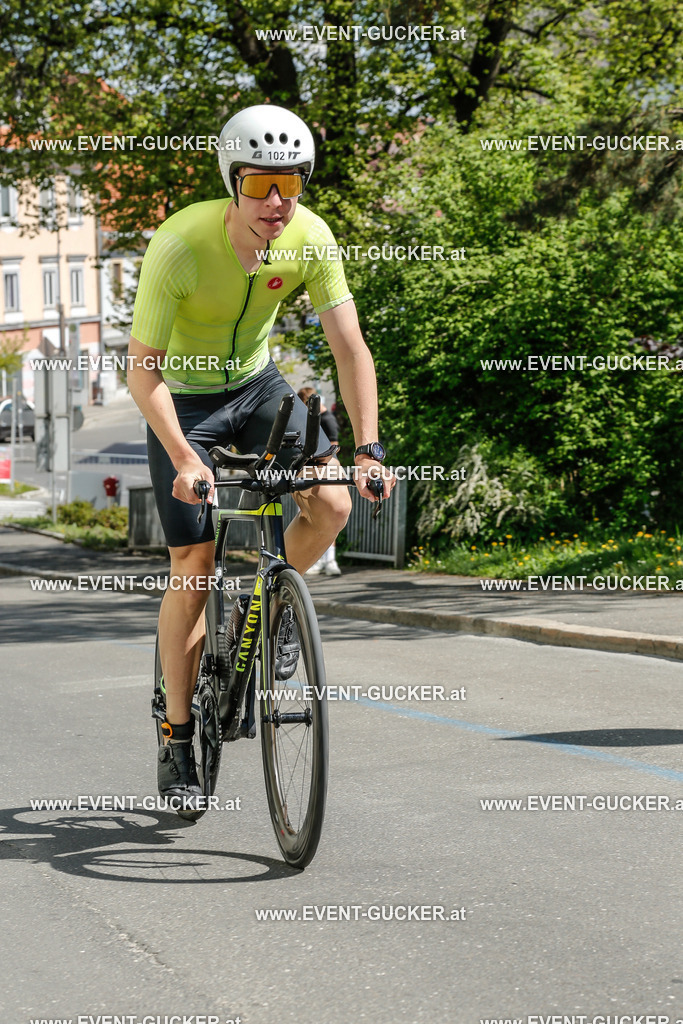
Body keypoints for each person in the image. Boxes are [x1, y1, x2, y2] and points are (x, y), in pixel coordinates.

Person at [127, 104, 395, 806]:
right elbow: (141, 372)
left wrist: (367, 448)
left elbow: (348, 347)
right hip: (183, 402)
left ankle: (270, 610)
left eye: (291, 184)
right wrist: (187, 459)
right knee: (194, 565)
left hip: (256, 387)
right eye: (258, 185)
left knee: (332, 500)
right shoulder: (180, 245)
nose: (275, 203)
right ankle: (178, 738)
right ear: (231, 179)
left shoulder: (310, 237)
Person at [297, 386, 342, 576]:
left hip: (323, 469)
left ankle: (329, 559)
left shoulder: (326, 419)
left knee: (325, 513)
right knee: (315, 514)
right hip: (315, 469)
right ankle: (322, 559)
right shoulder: (317, 419)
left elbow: (334, 446)